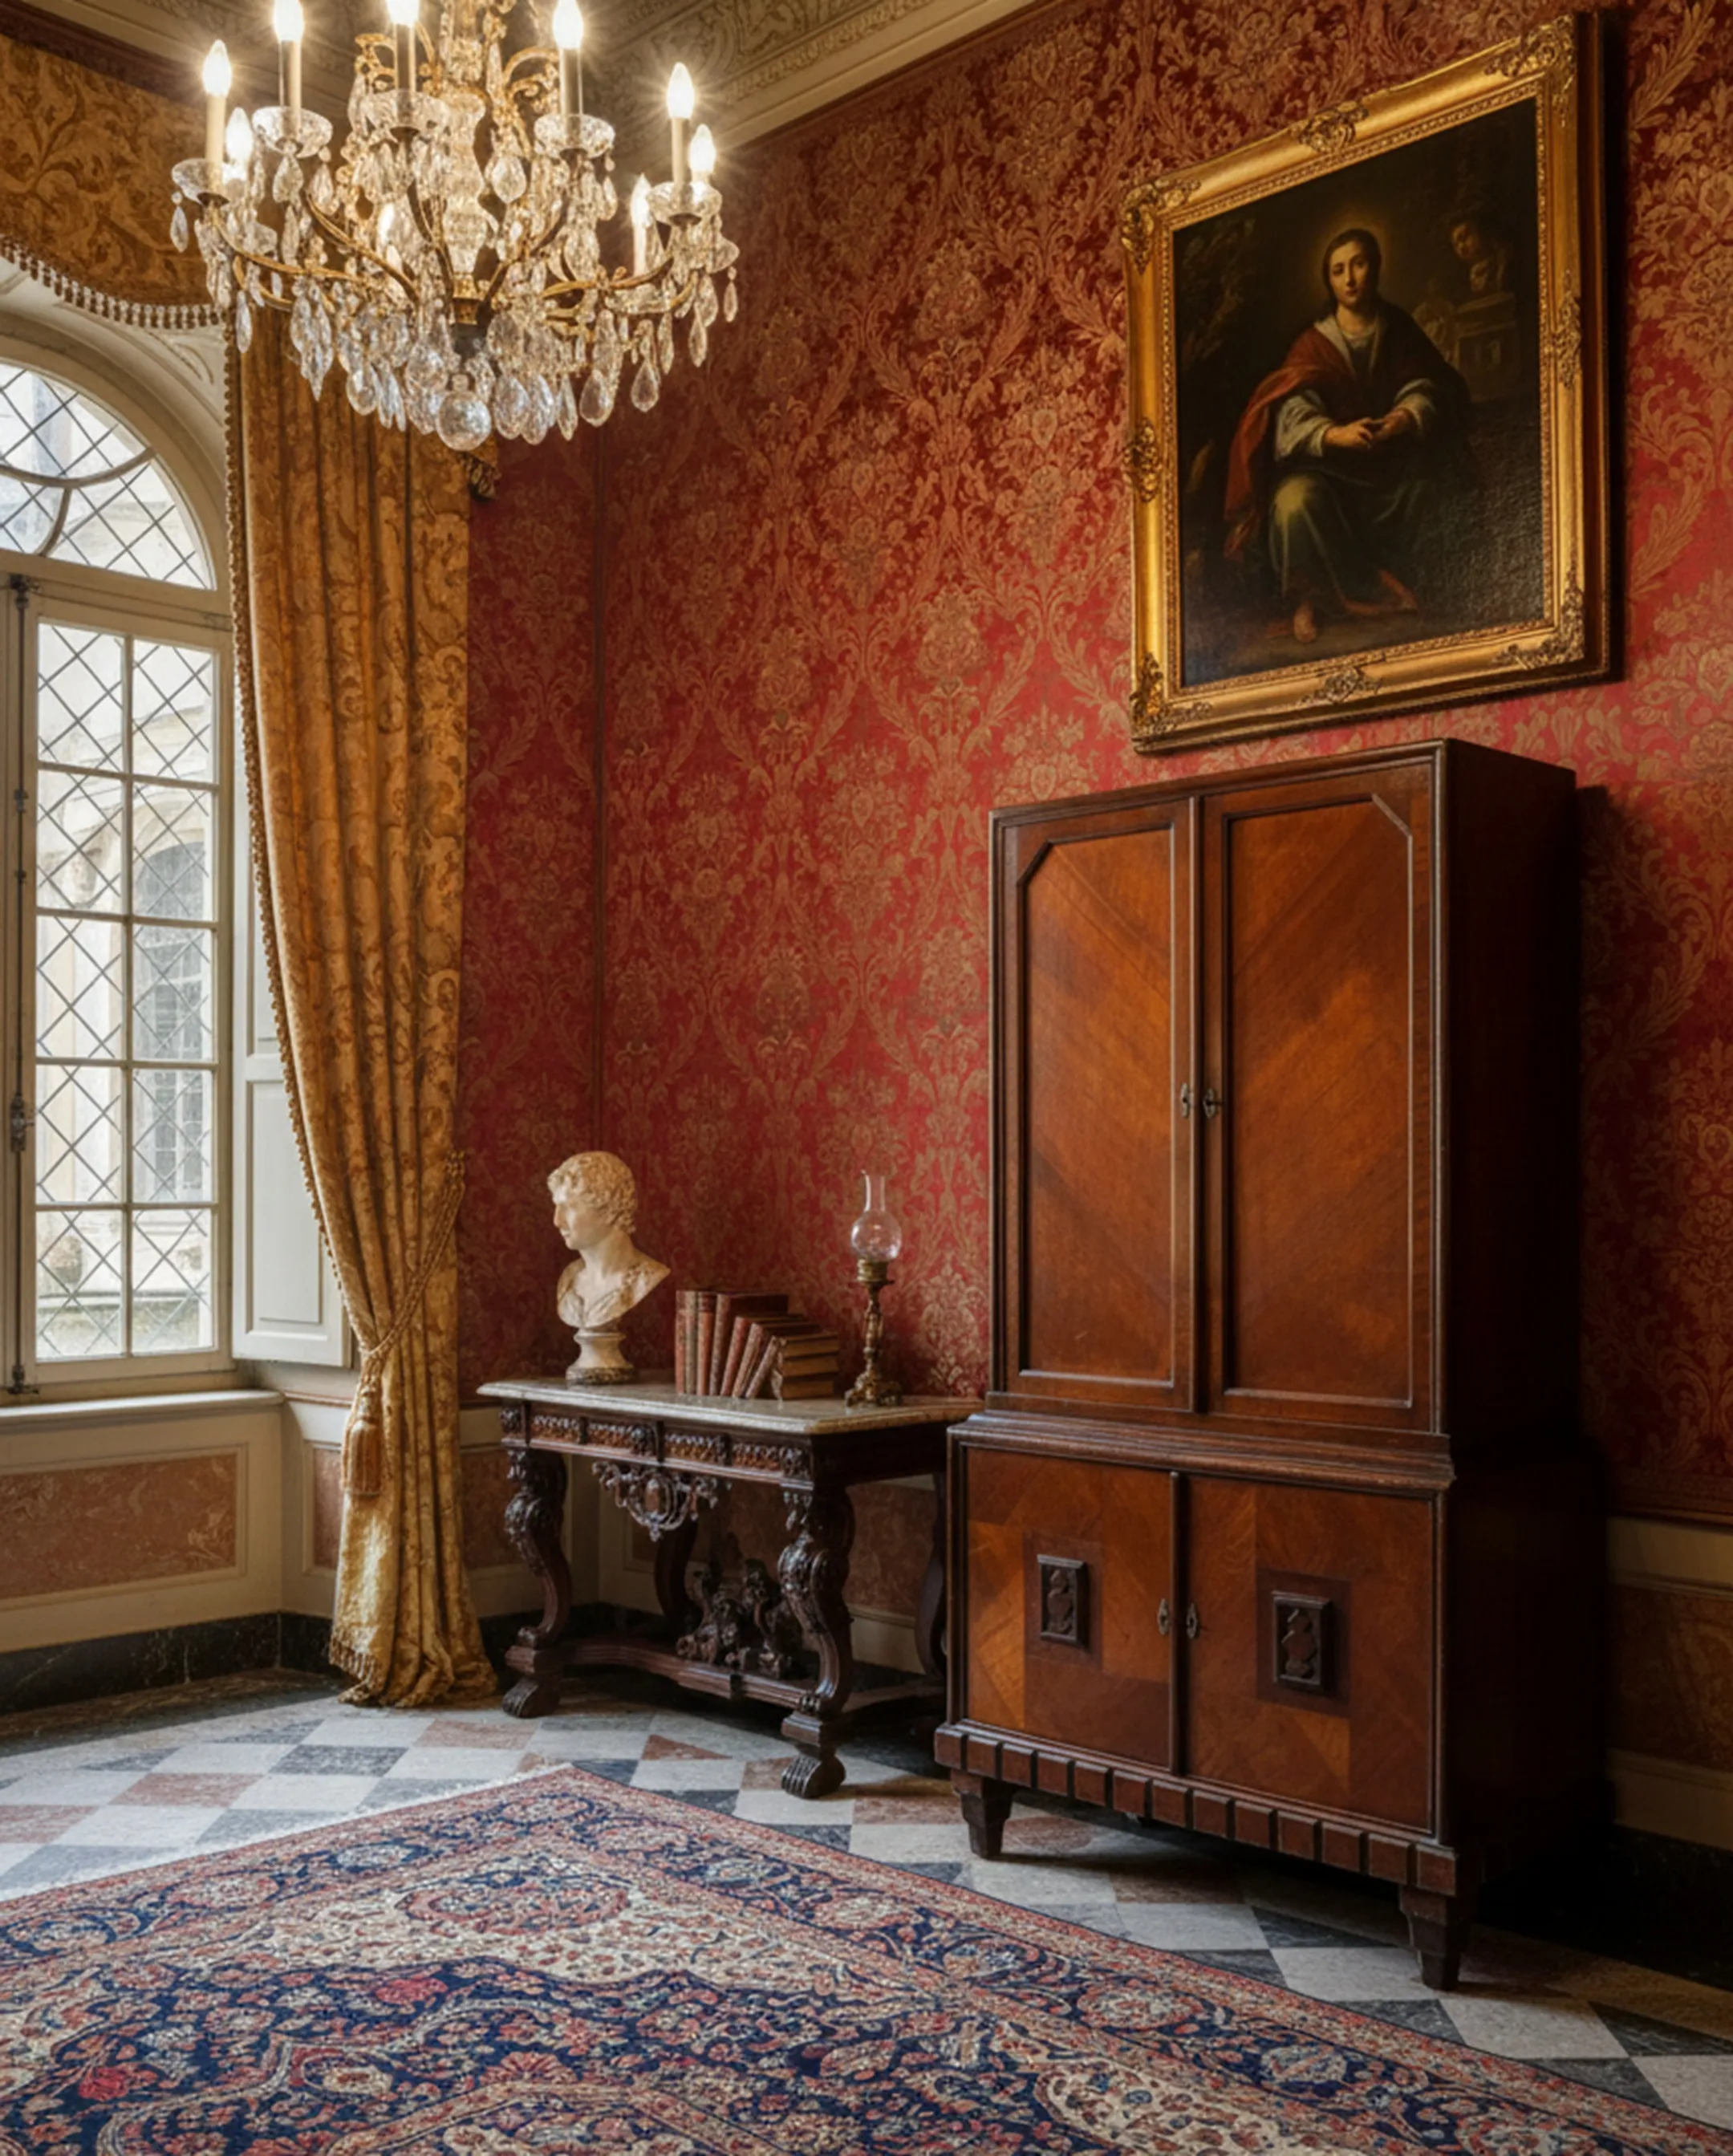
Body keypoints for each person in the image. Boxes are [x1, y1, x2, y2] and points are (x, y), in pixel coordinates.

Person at [1224, 227, 1475, 644]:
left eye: (1359, 264)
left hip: (1393, 465)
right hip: (1332, 474)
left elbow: (1432, 386)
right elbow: (1290, 414)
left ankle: (1431, 592)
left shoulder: (1398, 329)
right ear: (1329, 279)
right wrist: (1334, 435)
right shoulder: (1312, 343)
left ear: (1375, 268)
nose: (1351, 278)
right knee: (1293, 501)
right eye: (1339, 270)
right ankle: (1309, 599)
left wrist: (1403, 418)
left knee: (1438, 484)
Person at [549, 1151, 668, 1333]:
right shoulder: (570, 1280)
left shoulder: (649, 1279)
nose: (557, 1221)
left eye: (570, 1207)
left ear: (609, 1210)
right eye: (557, 1207)